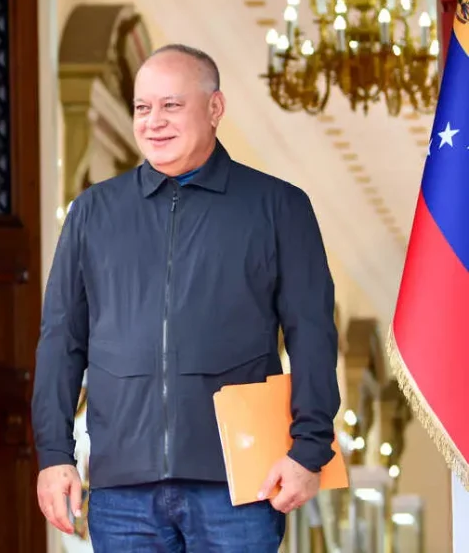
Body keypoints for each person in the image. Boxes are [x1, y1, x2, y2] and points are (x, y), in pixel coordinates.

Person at [32, 44, 341, 551]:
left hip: (240, 486)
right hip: (121, 490)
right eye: (142, 108)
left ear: (215, 109)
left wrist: (310, 449)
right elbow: (61, 340)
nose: (154, 121)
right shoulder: (92, 213)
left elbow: (312, 333)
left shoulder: (278, 207)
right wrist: (53, 453)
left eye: (171, 105)